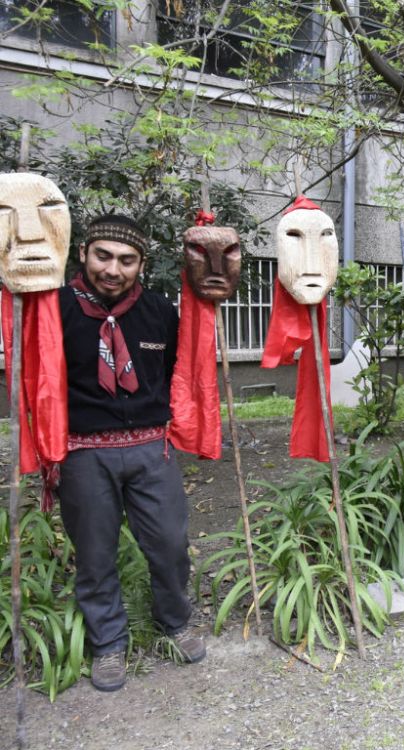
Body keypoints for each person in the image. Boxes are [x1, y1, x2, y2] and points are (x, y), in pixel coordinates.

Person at [57, 214, 205, 692]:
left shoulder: (160, 312)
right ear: (83, 252)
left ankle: (174, 620)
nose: (113, 270)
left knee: (169, 544)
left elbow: (172, 371)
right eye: (103, 256)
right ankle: (108, 645)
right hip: (83, 453)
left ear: (141, 263)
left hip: (149, 447)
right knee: (95, 554)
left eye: (126, 260)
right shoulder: (54, 309)